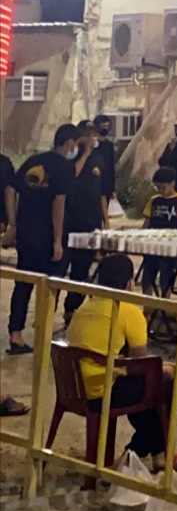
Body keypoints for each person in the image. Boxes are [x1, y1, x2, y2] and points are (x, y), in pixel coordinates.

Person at [65, 253, 177, 473]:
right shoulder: (127, 310)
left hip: (75, 389)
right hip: (102, 392)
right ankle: (133, 454)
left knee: (152, 389)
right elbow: (141, 365)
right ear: (129, 284)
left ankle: (158, 455)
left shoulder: (84, 308)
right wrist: (164, 368)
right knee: (173, 388)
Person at [5, 124, 77, 355]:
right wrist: (57, 240)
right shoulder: (64, 167)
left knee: (23, 284)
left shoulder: (33, 161)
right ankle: (42, 332)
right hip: (47, 236)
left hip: (26, 234)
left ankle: (15, 335)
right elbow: (59, 204)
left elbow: (10, 189)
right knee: (50, 286)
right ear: (69, 143)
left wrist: (12, 223)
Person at [62, 123, 115, 324]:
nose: (93, 138)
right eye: (88, 135)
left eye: (94, 135)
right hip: (69, 221)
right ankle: (47, 309)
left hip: (90, 221)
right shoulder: (70, 157)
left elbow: (101, 192)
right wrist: (83, 153)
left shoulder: (99, 159)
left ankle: (72, 309)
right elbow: (70, 178)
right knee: (59, 269)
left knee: (82, 270)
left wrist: (105, 219)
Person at [140, 167, 177, 297]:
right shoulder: (154, 200)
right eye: (158, 188)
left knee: (166, 279)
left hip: (170, 247)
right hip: (152, 245)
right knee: (147, 278)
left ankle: (165, 302)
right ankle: (147, 304)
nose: (161, 191)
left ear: (172, 184)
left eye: (163, 188)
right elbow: (146, 222)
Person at [91, 115, 118, 203]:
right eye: (103, 126)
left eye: (107, 126)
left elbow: (111, 167)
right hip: (93, 183)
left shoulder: (109, 145)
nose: (106, 129)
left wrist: (112, 189)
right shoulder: (91, 145)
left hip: (105, 184)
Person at [1, 152, 15, 236]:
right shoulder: (5, 163)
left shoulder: (5, 164)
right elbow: (9, 192)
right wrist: (11, 223)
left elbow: (9, 192)